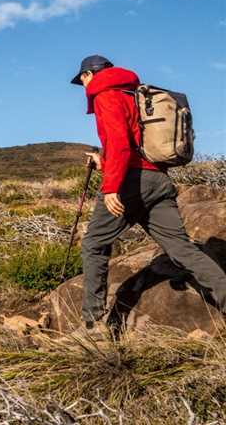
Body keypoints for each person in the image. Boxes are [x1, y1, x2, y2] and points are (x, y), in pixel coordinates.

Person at [71, 55, 226, 332]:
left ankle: (92, 324)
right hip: (158, 179)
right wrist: (102, 161)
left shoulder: (105, 96)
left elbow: (120, 145)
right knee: (181, 249)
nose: (82, 85)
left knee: (94, 244)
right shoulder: (135, 93)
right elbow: (135, 145)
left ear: (89, 75)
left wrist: (110, 187)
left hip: (131, 181)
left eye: (81, 79)